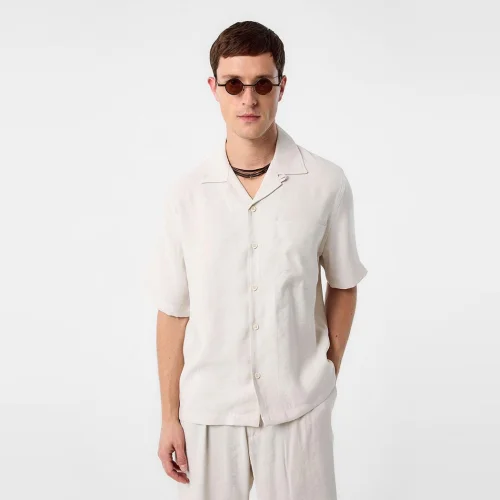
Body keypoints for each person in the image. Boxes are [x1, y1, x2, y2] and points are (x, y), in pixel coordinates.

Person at [148, 20, 368, 500]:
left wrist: (327, 370)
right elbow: (174, 311)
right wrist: (169, 417)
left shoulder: (325, 183)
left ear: (281, 87)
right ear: (214, 88)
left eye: (262, 84)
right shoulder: (186, 195)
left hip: (299, 408)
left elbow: (344, 283)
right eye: (234, 84)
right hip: (209, 412)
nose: (248, 98)